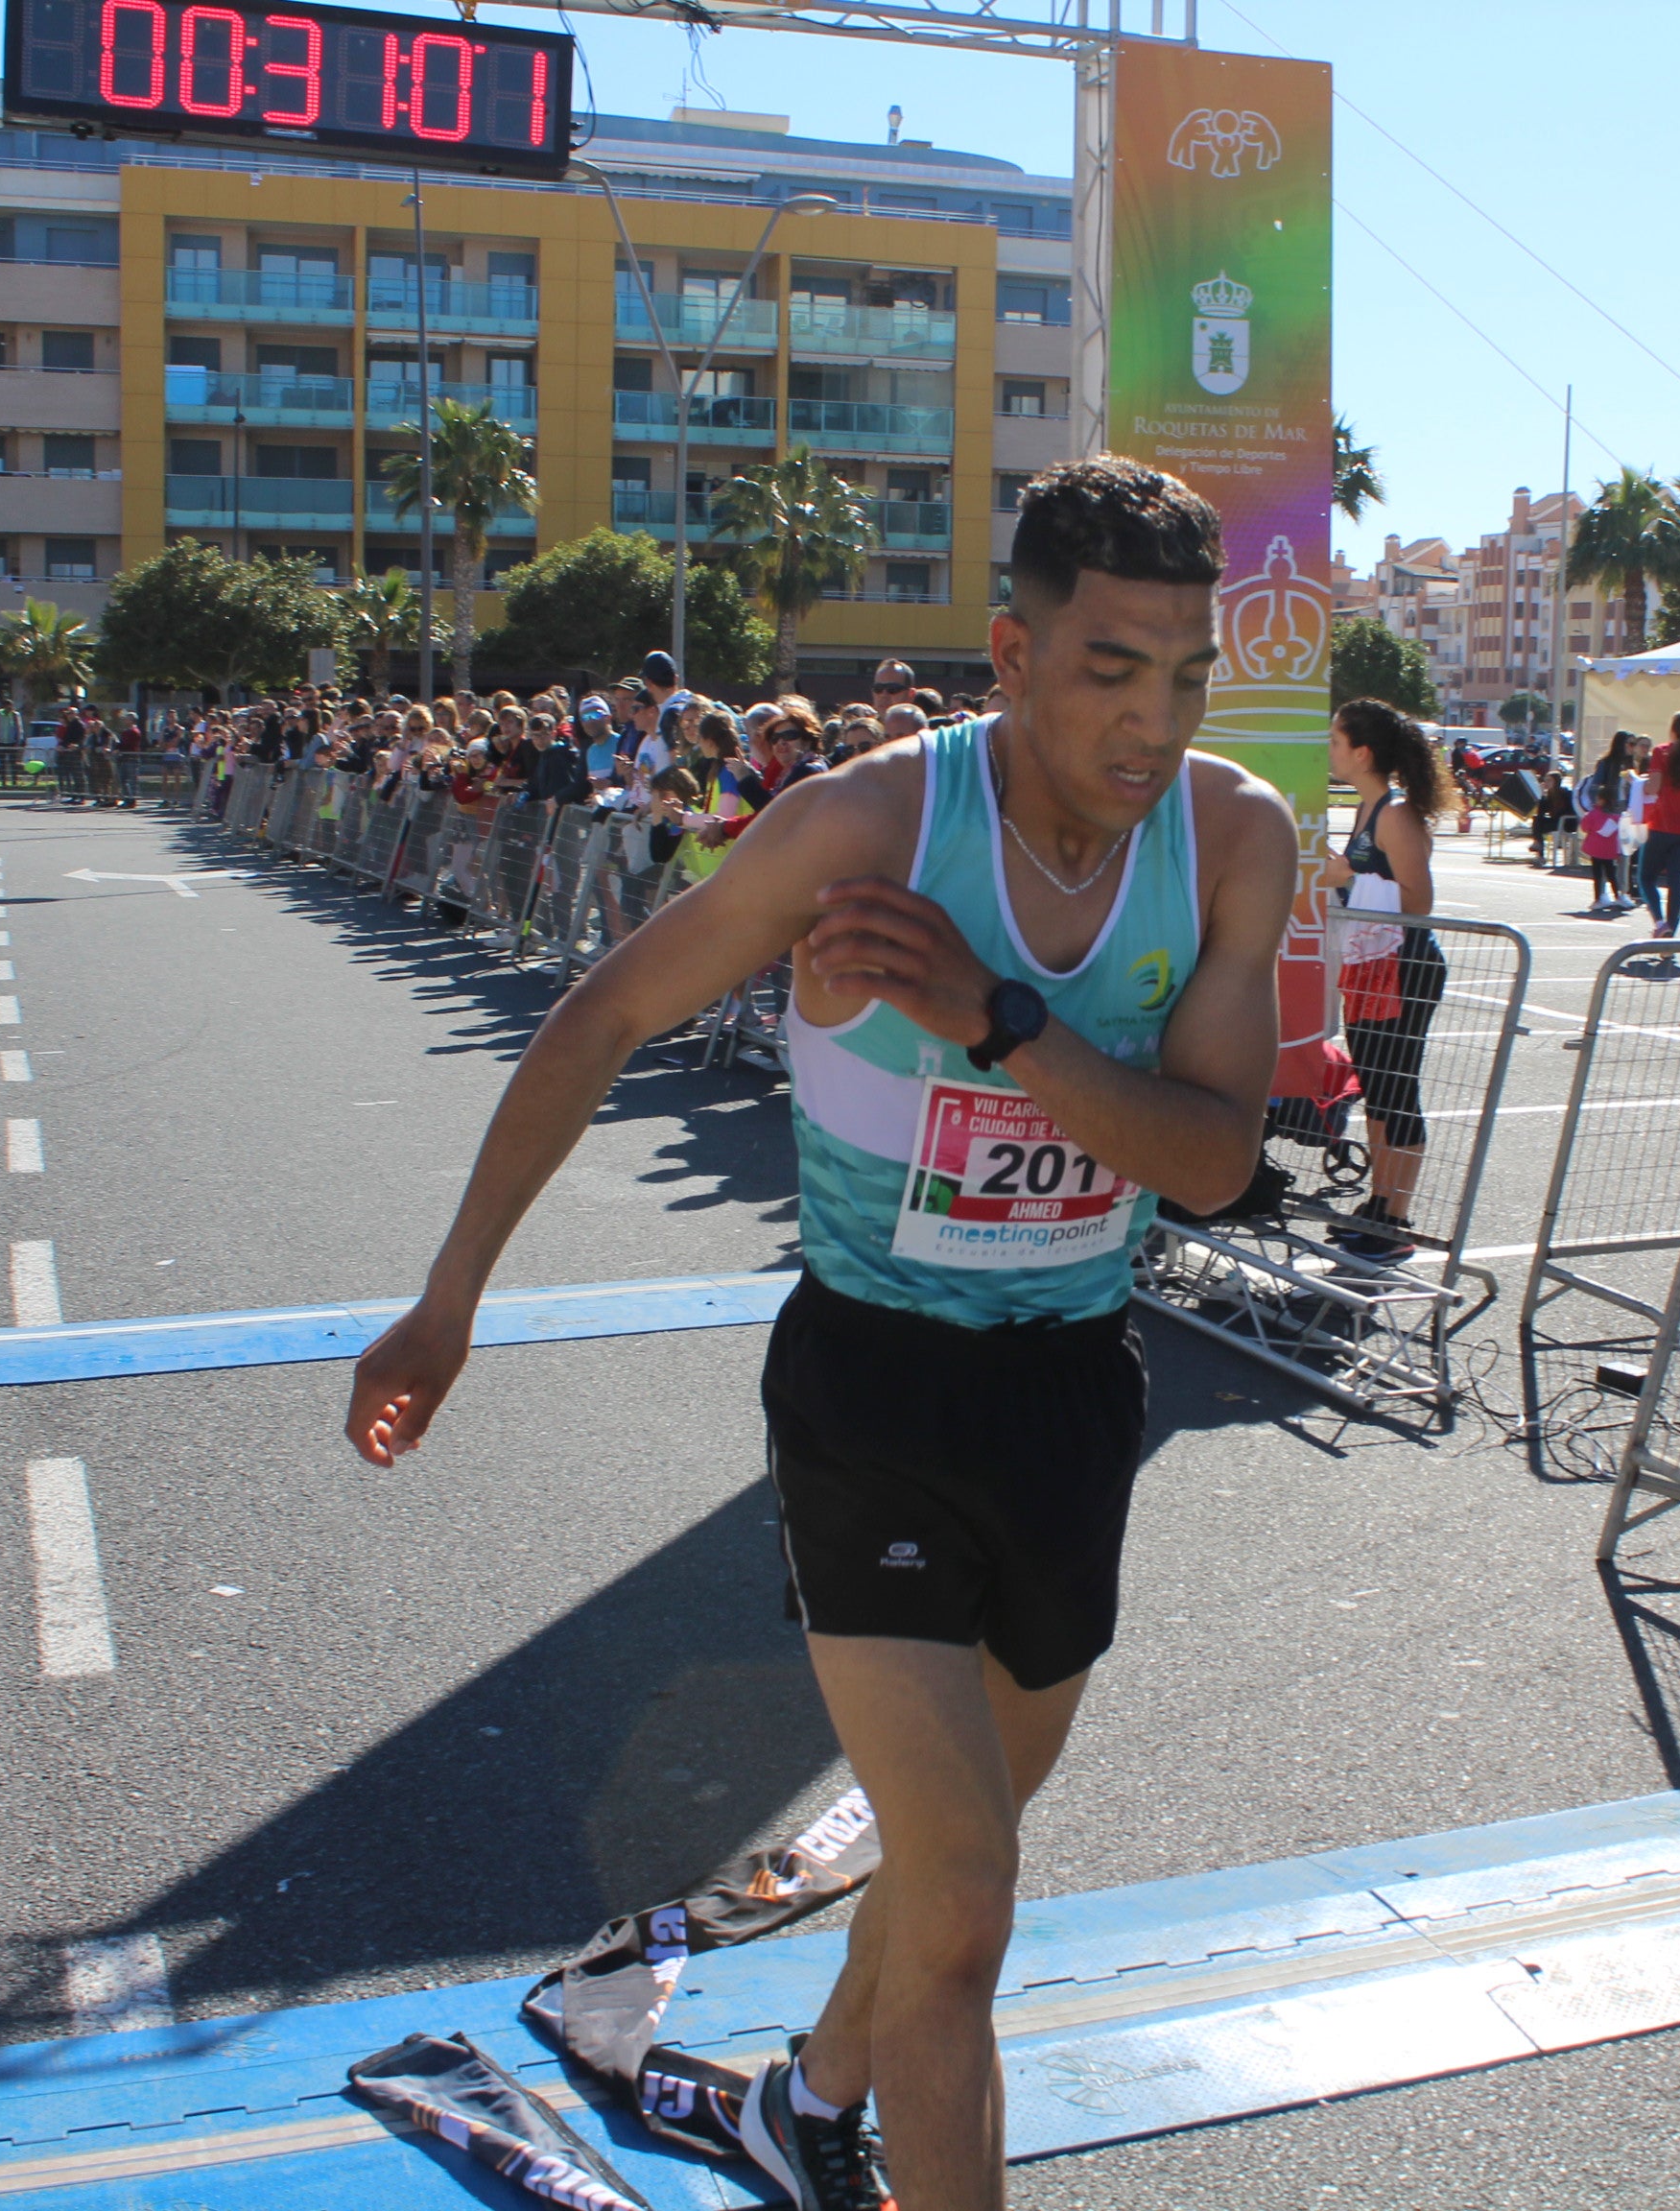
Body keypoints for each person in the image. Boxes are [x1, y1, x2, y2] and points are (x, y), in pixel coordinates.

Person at [346, 458, 1290, 2211]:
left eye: (1185, 670)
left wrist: (994, 1018)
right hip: (875, 1386)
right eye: (1107, 668)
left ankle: (810, 2100)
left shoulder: (1231, 836)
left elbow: (1216, 1159)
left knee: (952, 1869)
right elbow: (606, 1007)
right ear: (1010, 650)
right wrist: (449, 1293)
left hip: (1077, 1390)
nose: (1151, 718)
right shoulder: (866, 827)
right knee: (971, 1903)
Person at [1317, 700, 1444, 1261]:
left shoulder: (1394, 814)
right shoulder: (1369, 810)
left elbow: (1420, 901)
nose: (1329, 749)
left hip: (1405, 966)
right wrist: (1344, 874)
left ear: (1361, 753)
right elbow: (1366, 880)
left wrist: (1352, 872)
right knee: (1377, 1090)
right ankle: (1378, 1202)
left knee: (1398, 1089)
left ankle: (1398, 1216)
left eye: (1335, 741)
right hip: (1373, 966)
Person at [1635, 714, 1680, 940]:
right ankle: (1671, 930)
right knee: (1676, 880)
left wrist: (1639, 785)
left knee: (1646, 877)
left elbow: (1653, 788)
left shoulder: (1661, 752)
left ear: (1672, 729)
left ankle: (1659, 921)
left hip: (1661, 825)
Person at [1574, 729, 1636, 916]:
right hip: (1610, 813)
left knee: (1623, 855)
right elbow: (1595, 787)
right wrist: (1602, 803)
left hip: (1626, 813)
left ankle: (1620, 893)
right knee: (1603, 857)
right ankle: (1604, 894)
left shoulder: (1632, 764)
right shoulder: (1607, 763)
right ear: (1621, 744)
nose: (1633, 748)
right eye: (1630, 744)